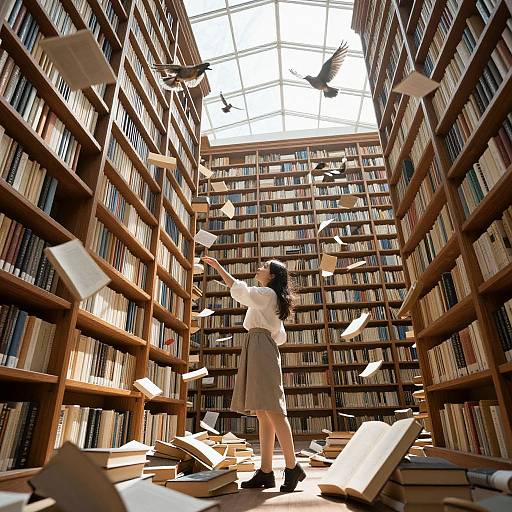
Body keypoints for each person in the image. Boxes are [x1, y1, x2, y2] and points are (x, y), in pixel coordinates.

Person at [201, 257, 306, 492]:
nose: (259, 268)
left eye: (264, 267)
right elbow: (281, 335)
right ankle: (266, 472)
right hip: (258, 344)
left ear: (272, 276)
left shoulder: (267, 294)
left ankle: (293, 467)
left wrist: (218, 267)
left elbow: (241, 291)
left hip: (260, 346)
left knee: (274, 410)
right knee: (263, 412)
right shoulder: (270, 298)